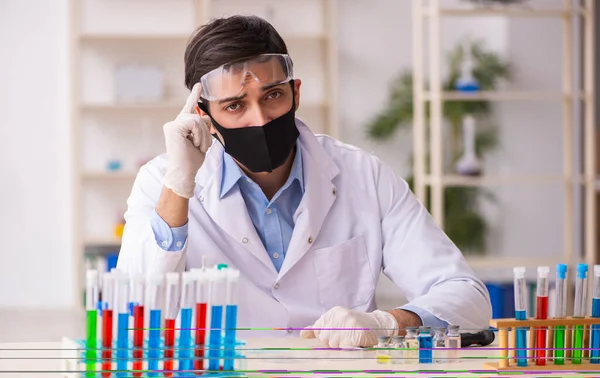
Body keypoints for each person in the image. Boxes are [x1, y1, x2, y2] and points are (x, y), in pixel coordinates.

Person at [116, 15, 491, 348]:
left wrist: (388, 323)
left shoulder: (364, 175)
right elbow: (134, 315)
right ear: (204, 117)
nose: (259, 119)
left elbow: (467, 296)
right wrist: (180, 183)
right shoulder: (162, 184)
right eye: (234, 106)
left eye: (273, 95)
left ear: (296, 93)